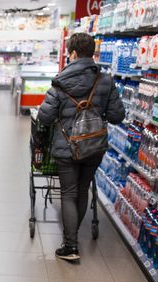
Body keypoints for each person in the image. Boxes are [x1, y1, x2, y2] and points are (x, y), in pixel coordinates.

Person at [37, 33, 125, 261]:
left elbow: (44, 118)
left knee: (67, 193)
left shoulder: (59, 82)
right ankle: (73, 239)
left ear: (73, 53)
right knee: (82, 188)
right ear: (92, 53)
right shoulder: (105, 81)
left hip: (66, 146)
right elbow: (117, 116)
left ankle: (71, 246)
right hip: (94, 146)